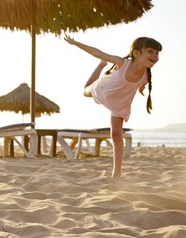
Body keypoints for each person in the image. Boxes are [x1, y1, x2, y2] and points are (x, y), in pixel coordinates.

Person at [64, 35, 162, 177]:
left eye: (157, 53)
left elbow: (142, 84)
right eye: (150, 51)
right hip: (103, 89)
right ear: (136, 53)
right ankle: (101, 65)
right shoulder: (122, 63)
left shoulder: (146, 75)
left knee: (116, 134)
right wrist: (75, 43)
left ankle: (116, 173)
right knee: (85, 91)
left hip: (120, 101)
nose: (155, 56)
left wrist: (141, 89)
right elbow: (97, 52)